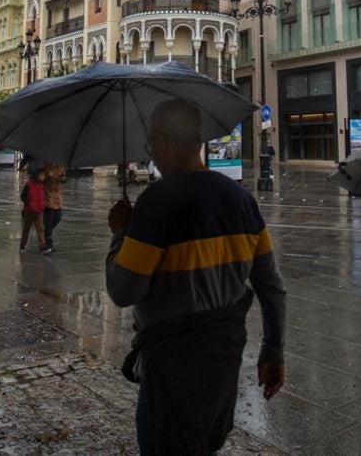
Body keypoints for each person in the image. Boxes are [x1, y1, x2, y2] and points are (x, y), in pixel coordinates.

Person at [105, 99, 286, 455]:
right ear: (200, 138)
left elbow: (124, 289)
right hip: (223, 365)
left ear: (163, 143)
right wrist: (273, 351)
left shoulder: (156, 204)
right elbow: (272, 286)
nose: (152, 154)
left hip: (171, 371)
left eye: (151, 146)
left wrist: (119, 234)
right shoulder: (241, 200)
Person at [20, 168, 49, 253]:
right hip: (30, 211)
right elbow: (23, 196)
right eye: (42, 175)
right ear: (37, 176)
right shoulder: (29, 185)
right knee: (27, 228)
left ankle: (42, 246)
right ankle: (23, 244)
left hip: (39, 210)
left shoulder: (42, 185)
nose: (43, 177)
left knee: (40, 228)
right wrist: (29, 204)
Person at [43, 163, 66, 252]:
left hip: (57, 197)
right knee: (49, 219)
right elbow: (41, 178)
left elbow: (63, 180)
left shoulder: (61, 167)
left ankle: (46, 233)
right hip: (48, 195)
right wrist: (49, 176)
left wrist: (62, 179)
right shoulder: (46, 166)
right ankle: (48, 241)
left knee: (58, 217)